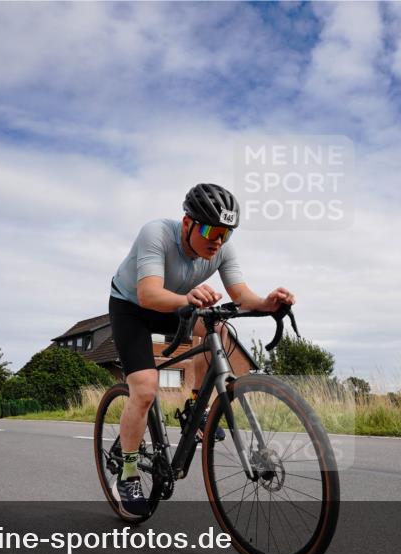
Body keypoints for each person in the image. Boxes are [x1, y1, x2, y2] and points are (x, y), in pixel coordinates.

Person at [107, 183, 295, 518]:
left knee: (218, 329)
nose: (218, 241)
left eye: (226, 233)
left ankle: (197, 408)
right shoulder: (156, 234)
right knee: (145, 390)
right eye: (210, 230)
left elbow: (241, 296)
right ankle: (129, 474)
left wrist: (268, 303)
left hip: (176, 305)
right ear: (187, 223)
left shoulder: (222, 249)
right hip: (132, 307)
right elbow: (148, 294)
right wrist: (187, 299)